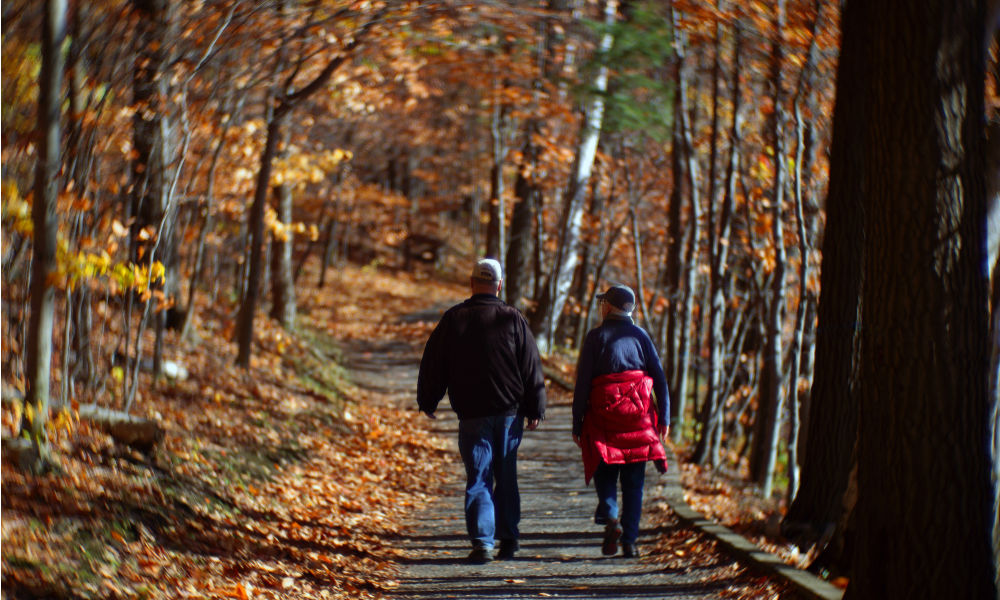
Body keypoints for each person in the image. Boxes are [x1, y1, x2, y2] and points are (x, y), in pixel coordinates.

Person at [417, 258, 546, 564]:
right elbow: (531, 367)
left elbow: (434, 362)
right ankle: (509, 539)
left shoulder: (454, 319)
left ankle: (482, 542)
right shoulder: (513, 318)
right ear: (499, 285)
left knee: (478, 477)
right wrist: (535, 408)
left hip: (472, 413)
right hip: (508, 414)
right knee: (506, 475)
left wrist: (428, 399)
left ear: (471, 282)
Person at [572, 283, 669, 558]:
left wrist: (577, 422)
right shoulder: (641, 337)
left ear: (609, 307)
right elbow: (659, 379)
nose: (600, 307)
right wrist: (665, 417)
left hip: (604, 422)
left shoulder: (596, 337)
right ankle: (630, 542)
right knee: (634, 483)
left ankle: (612, 517)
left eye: (602, 303)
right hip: (638, 423)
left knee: (605, 473)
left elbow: (583, 385)